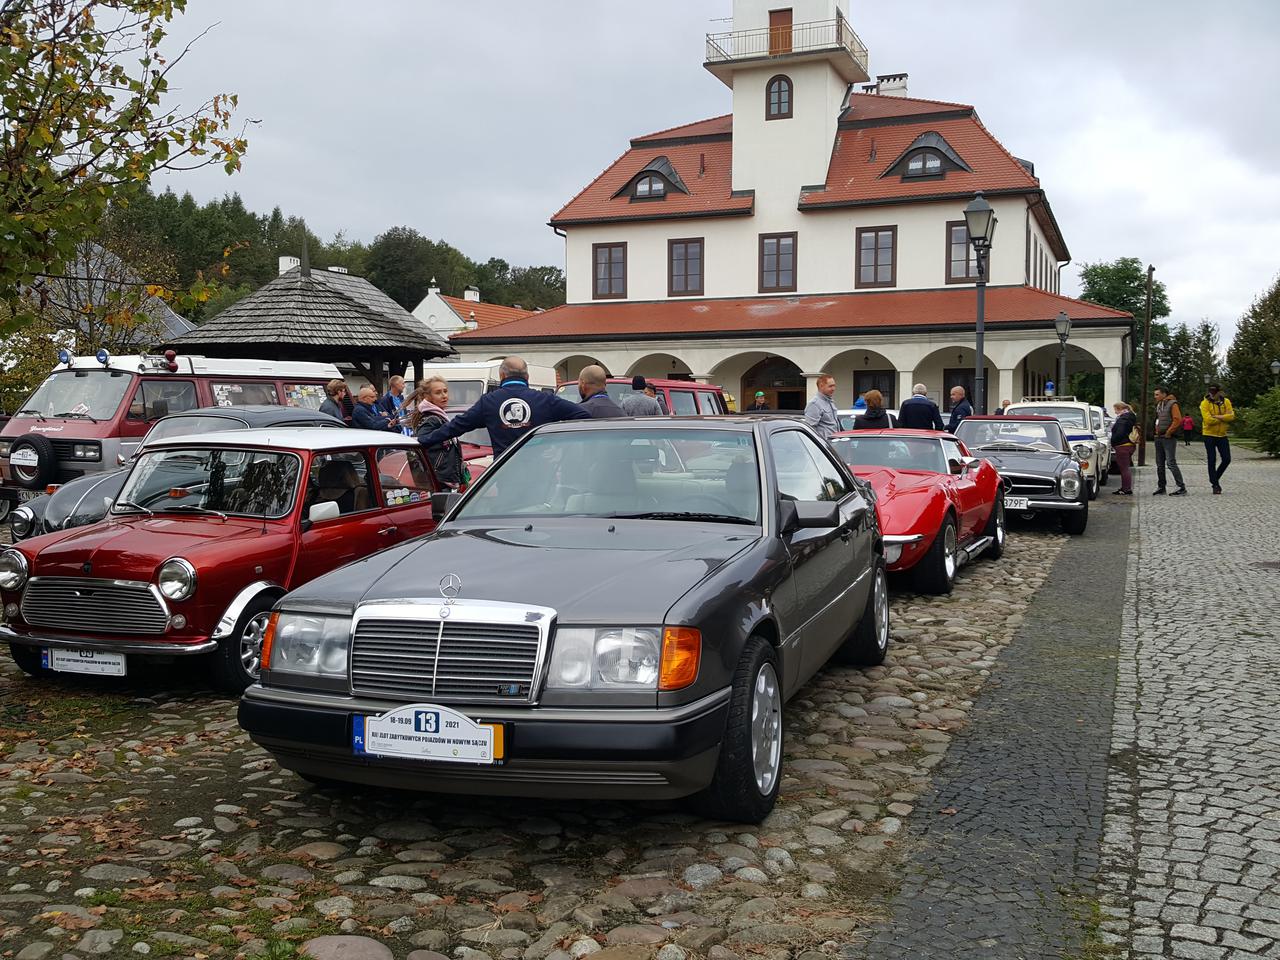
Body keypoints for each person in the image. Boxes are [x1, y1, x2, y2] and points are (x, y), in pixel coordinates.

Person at [417, 356, 590, 457]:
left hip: (503, 472)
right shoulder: (546, 400)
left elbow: (455, 427)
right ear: (527, 376)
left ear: (501, 375)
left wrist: (422, 441)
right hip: (539, 471)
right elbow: (583, 416)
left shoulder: (489, 402)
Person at [410, 376, 464, 488]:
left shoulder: (439, 416)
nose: (444, 395)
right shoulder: (432, 419)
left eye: (445, 391)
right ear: (428, 397)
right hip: (439, 479)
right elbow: (421, 442)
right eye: (438, 393)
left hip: (444, 477)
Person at [1152, 385, 1187, 496]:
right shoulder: (1159, 405)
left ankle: (1181, 487)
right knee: (1159, 464)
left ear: (1164, 394)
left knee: (1171, 462)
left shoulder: (1172, 404)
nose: (1155, 397)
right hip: (1159, 437)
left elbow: (1177, 420)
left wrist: (1169, 432)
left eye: (1157, 394)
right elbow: (1158, 420)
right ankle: (1161, 486)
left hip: (1168, 437)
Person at [1200, 383, 1235, 494]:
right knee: (1212, 459)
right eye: (1211, 391)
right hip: (1209, 435)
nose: (1212, 394)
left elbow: (1231, 416)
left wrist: (1218, 417)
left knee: (1226, 459)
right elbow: (1208, 420)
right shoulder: (1205, 403)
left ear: (1220, 392)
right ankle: (1215, 484)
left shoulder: (1226, 402)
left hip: (1222, 435)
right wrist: (1224, 418)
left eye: (1215, 391)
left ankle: (1214, 477)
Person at [1109, 401, 1137, 495]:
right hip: (1129, 445)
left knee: (1124, 468)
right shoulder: (1130, 417)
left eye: (1115, 410)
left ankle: (1126, 489)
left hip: (1122, 446)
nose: (1115, 412)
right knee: (1125, 467)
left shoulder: (1123, 419)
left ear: (1119, 409)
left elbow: (1119, 433)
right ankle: (1125, 487)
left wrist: (1113, 442)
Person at [803, 373, 839, 440]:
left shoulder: (830, 402)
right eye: (830, 386)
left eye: (834, 386)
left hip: (834, 442)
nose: (833, 388)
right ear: (821, 386)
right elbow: (810, 429)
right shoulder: (814, 404)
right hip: (824, 444)